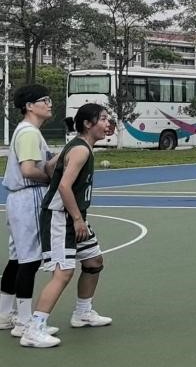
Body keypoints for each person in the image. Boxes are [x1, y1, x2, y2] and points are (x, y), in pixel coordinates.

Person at [22, 103, 115, 349]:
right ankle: (34, 329)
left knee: (94, 261)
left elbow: (50, 167)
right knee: (63, 272)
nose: (107, 123)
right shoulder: (81, 150)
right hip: (61, 217)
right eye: (103, 119)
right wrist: (77, 219)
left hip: (73, 215)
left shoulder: (78, 146)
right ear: (88, 123)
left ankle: (83, 313)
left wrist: (59, 162)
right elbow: (64, 186)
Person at [1, 85, 62, 340]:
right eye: (44, 100)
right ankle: (25, 322)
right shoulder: (28, 133)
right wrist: (50, 179)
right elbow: (28, 170)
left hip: (19, 199)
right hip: (29, 197)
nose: (49, 104)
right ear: (29, 106)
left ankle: (5, 313)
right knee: (30, 260)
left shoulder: (28, 131)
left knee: (17, 258)